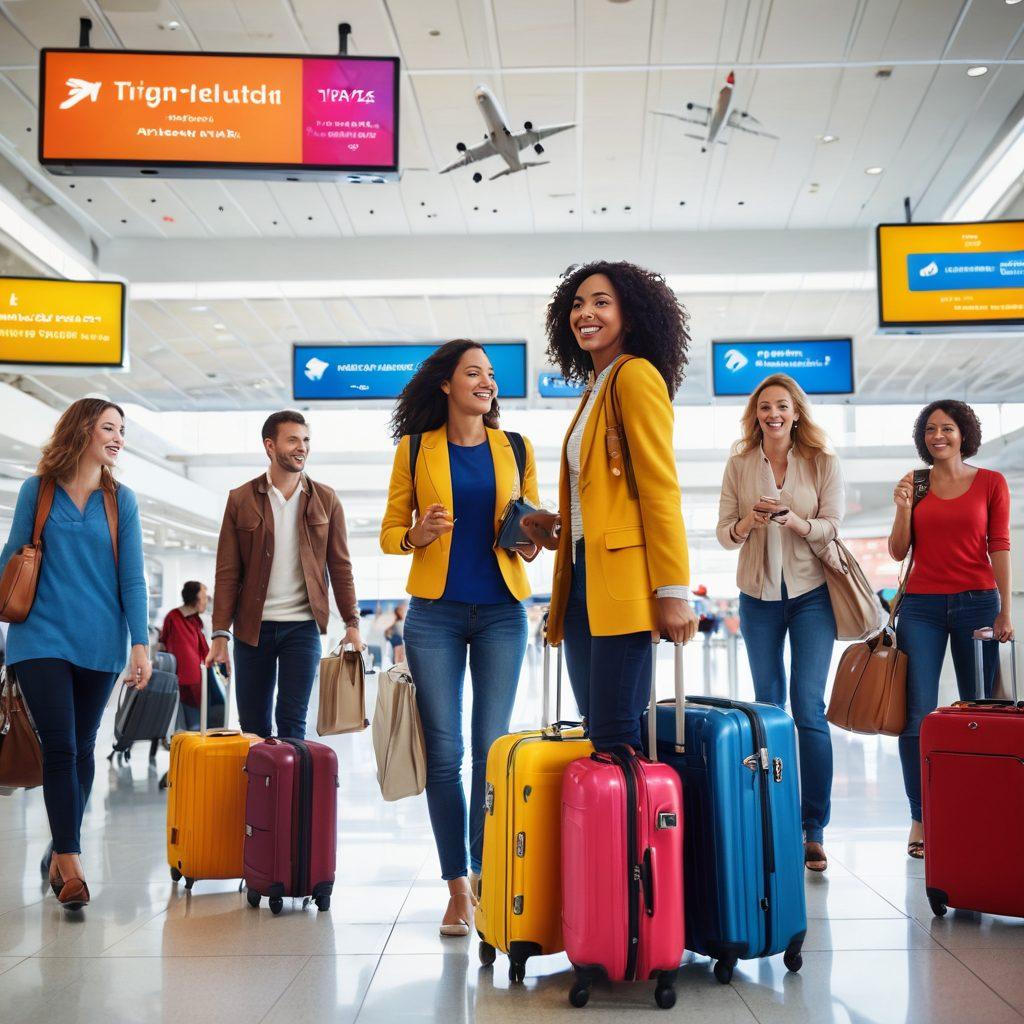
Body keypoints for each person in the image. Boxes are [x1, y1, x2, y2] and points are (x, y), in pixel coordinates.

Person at [380, 339, 539, 937]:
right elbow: (392, 529)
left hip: (502, 610)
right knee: (444, 753)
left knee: (490, 746)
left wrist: (531, 537)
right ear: (446, 384)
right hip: (435, 614)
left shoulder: (516, 446)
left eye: (491, 374)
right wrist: (416, 533)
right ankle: (455, 886)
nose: (487, 381)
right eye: (474, 372)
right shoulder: (415, 448)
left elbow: (529, 522)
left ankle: (481, 872)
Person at [523, 261, 698, 752]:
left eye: (601, 302)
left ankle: (633, 829)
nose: (586, 313)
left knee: (615, 731)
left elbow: (660, 489)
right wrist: (556, 527)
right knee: (597, 725)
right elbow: (608, 496)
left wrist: (673, 589)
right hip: (582, 577)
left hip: (624, 583)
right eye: (577, 304)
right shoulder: (595, 389)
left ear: (631, 313)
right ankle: (609, 827)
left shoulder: (635, 376)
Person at [0, 399, 151, 911]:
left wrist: (139, 643)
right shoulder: (36, 491)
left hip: (100, 644)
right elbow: (13, 557)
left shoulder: (120, 501)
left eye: (122, 431)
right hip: (40, 638)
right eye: (109, 428)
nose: (118, 438)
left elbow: (131, 576)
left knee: (84, 750)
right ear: (82, 430)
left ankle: (60, 849)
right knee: (61, 748)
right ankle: (71, 861)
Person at [716, 373, 842, 872]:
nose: (773, 413)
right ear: (756, 414)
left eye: (782, 406)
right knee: (768, 706)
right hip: (758, 596)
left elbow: (832, 524)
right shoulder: (740, 464)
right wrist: (750, 522)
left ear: (796, 412)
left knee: (808, 706)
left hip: (813, 594)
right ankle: (773, 817)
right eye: (765, 406)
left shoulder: (822, 461)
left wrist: (793, 520)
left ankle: (814, 829)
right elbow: (725, 534)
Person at [888, 400, 1011, 860]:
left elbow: (999, 544)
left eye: (948, 428)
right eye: (931, 429)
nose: (938, 436)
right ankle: (920, 816)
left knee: (982, 713)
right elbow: (899, 551)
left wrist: (1004, 610)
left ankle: (981, 809)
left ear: (965, 434)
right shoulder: (915, 484)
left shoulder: (991, 483)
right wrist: (902, 509)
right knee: (916, 716)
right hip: (920, 607)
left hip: (977, 603)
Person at [206, 411, 363, 739]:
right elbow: (227, 572)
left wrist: (352, 623)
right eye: (292, 439)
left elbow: (340, 567)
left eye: (305, 440)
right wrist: (220, 632)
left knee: (293, 722)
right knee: (253, 726)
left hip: (302, 628)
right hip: (252, 630)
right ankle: (260, 790)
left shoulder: (326, 499)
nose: (301, 447)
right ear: (270, 445)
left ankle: (291, 791)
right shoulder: (241, 499)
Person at [159, 581, 210, 729]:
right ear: (195, 599)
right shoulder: (176, 616)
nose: (206, 601)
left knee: (190, 716)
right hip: (185, 677)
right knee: (187, 715)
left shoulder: (193, 619)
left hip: (192, 677)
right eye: (204, 597)